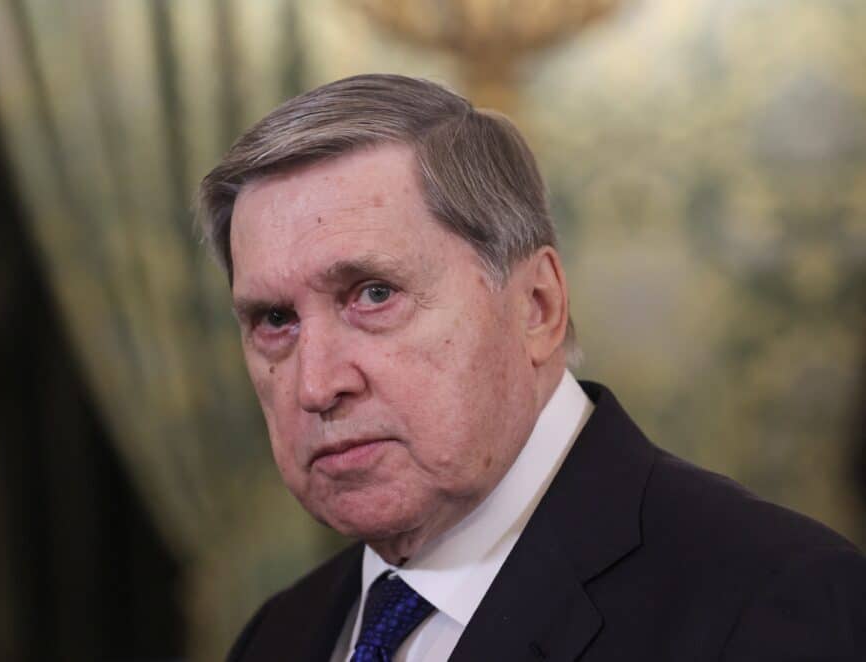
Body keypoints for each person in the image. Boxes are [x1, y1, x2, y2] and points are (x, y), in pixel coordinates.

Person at [196, 74, 866, 661]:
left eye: (374, 295)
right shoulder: (279, 635)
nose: (317, 385)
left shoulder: (776, 603)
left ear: (537, 306)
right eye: (275, 320)